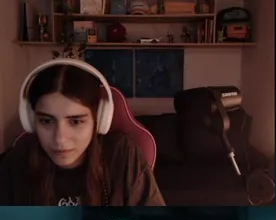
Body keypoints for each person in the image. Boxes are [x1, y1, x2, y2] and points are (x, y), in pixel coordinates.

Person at [0, 59, 164, 206]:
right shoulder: (15, 164)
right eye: (46, 121)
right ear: (30, 120)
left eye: (76, 122)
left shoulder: (122, 154)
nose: (60, 139)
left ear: (98, 120)